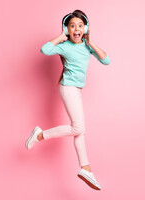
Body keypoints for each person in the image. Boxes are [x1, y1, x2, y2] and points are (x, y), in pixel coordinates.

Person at [25, 9, 110, 190]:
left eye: (80, 25)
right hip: (68, 88)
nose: (76, 29)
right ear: (67, 29)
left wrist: (91, 42)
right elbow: (44, 49)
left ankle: (85, 168)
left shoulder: (87, 47)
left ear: (85, 28)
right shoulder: (65, 46)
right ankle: (40, 135)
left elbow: (106, 60)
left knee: (79, 131)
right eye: (72, 26)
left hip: (77, 90)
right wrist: (60, 36)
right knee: (78, 127)